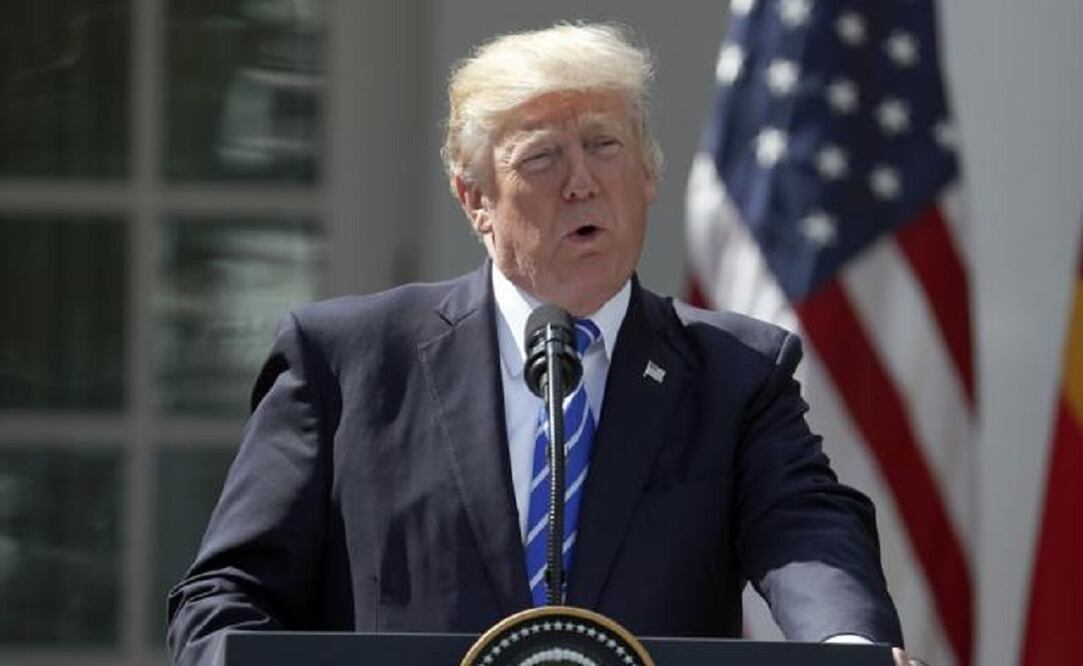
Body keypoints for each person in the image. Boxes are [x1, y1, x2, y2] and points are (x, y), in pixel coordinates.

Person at [168, 22, 911, 665]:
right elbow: (226, 598)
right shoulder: (347, 361)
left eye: (603, 146)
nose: (581, 182)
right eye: (541, 158)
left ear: (648, 173)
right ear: (474, 200)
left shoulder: (736, 373)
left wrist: (844, 651)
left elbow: (805, 529)